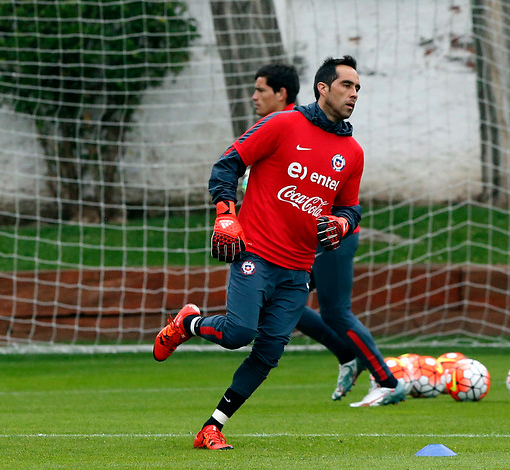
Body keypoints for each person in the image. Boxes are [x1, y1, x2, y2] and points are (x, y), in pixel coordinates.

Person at [153, 56, 402, 451]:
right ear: (323, 88)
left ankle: (212, 427)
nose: (354, 94)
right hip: (256, 252)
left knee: (267, 354)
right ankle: (189, 324)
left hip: (298, 269)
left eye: (358, 88)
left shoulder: (352, 153)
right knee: (239, 333)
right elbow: (227, 165)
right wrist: (225, 213)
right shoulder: (283, 125)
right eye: (347, 86)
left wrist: (341, 223)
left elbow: (351, 207)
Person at [250, 63, 364, 399]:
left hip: (324, 236)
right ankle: (348, 357)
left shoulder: (291, 125)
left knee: (331, 310)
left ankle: (384, 377)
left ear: (281, 93)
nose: (254, 97)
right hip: (285, 236)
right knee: (282, 306)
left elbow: (342, 197)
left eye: (261, 90)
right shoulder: (279, 125)